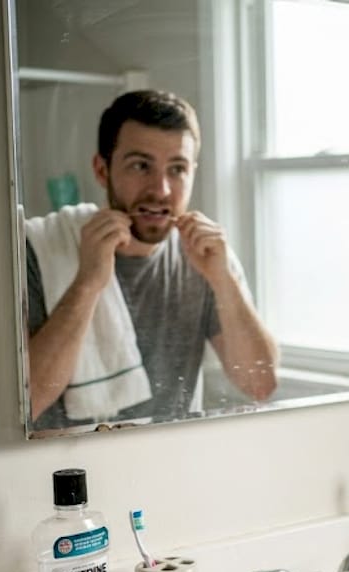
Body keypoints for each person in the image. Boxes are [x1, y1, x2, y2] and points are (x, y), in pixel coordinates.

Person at [26, 89, 277, 430]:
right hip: (65, 475)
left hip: (170, 466)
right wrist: (88, 283)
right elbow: (26, 403)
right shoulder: (39, 249)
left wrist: (224, 280)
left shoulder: (206, 255)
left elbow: (260, 385)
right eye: (140, 165)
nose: (160, 189)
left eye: (177, 169)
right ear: (102, 170)